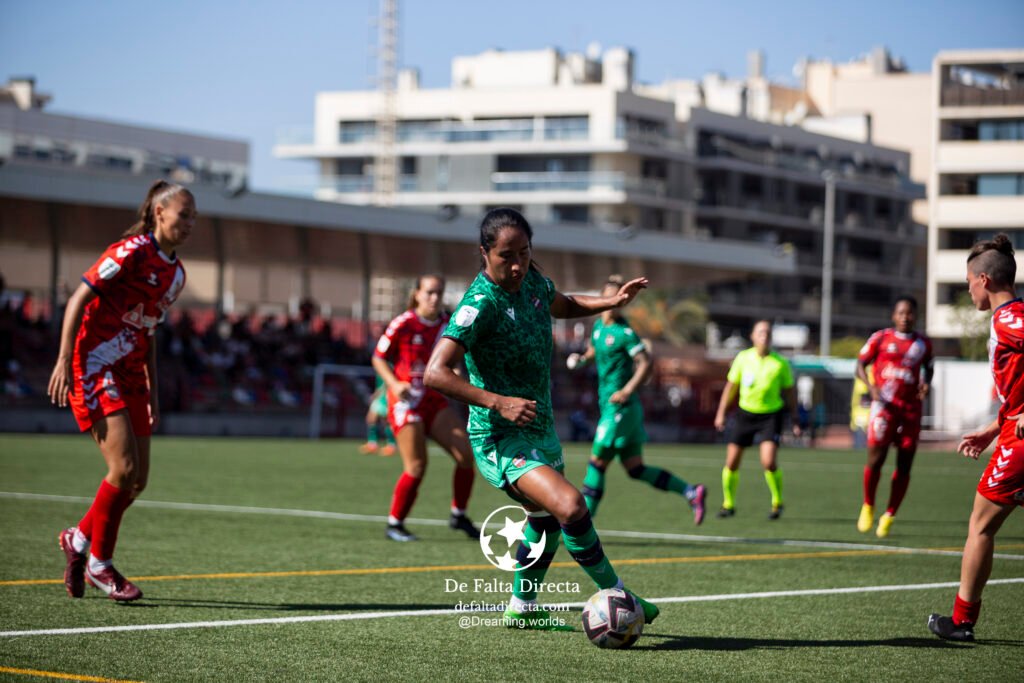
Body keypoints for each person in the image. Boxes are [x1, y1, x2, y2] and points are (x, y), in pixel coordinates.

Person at [425, 208, 660, 630]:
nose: (517, 265)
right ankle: (622, 594)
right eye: (506, 256)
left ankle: (521, 606)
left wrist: (611, 301)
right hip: (499, 435)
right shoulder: (479, 304)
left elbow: (564, 303)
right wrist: (497, 402)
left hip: (540, 426)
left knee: (545, 519)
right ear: (484, 253)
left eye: (525, 253)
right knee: (571, 504)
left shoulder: (532, 281)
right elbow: (435, 372)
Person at [49, 180, 193, 602]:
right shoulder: (129, 252)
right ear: (159, 213)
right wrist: (62, 360)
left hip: (132, 372)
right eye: (183, 214)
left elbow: (148, 332)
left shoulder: (177, 275)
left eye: (194, 217)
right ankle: (99, 563)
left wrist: (153, 392)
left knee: (137, 482)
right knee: (124, 466)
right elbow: (78, 299)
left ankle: (78, 539)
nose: (190, 223)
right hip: (94, 364)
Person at [929, 234, 1024, 642]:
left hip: (1019, 445)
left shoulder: (1009, 319)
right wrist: (991, 428)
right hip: (1008, 433)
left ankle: (962, 621)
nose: (968, 290)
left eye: (968, 282)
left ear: (983, 279)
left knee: (980, 526)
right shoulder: (1007, 318)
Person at [567, 276, 706, 524]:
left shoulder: (625, 332)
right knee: (635, 468)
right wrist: (582, 359)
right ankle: (691, 492)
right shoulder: (599, 327)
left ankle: (581, 522)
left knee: (597, 461)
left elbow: (646, 362)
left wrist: (628, 390)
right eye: (610, 297)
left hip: (620, 408)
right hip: (612, 407)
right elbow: (593, 350)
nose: (613, 303)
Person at [372, 274, 479, 542]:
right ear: (417, 294)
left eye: (439, 293)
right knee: (417, 464)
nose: (434, 298)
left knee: (466, 455)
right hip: (407, 401)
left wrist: (457, 376)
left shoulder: (448, 324)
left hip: (435, 401)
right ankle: (395, 524)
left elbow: (454, 360)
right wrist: (395, 385)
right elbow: (379, 358)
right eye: (429, 292)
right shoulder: (403, 323)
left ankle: (459, 515)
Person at [855, 297, 934, 538]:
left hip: (910, 410)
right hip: (884, 408)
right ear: (893, 315)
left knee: (904, 464)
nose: (905, 317)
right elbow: (859, 365)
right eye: (901, 312)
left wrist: (926, 383)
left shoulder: (923, 343)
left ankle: (890, 514)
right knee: (876, 459)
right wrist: (870, 386)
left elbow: (929, 367)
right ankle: (868, 504)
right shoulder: (880, 338)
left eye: (910, 313)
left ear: (916, 316)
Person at [713, 320, 800, 519]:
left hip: (771, 415)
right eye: (761, 332)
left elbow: (790, 392)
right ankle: (728, 504)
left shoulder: (780, 363)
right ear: (752, 336)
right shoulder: (743, 358)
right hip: (745, 413)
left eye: (768, 333)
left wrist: (795, 418)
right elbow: (731, 387)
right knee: (732, 462)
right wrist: (721, 413)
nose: (765, 336)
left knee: (768, 462)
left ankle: (777, 502)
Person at [359, 376, 396, 456]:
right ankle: (373, 444)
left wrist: (376, 394)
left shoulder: (387, 366)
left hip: (385, 397)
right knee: (371, 419)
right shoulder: (379, 367)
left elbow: (387, 383)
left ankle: (391, 445)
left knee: (386, 422)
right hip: (380, 396)